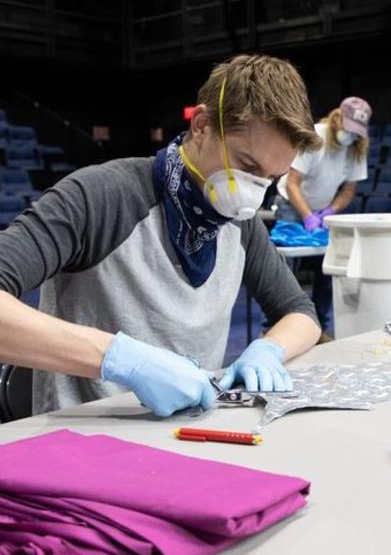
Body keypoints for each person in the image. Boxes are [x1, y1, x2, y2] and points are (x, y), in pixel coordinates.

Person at [0, 54, 323, 418]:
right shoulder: (102, 197)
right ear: (201, 125)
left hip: (187, 434)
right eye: (247, 166)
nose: (254, 193)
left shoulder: (239, 222)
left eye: (270, 178)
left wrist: (270, 349)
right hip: (84, 442)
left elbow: (301, 313)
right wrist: (120, 359)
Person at [275, 96, 372, 332]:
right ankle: (274, 326)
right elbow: (292, 183)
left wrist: (329, 212)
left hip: (322, 210)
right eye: (348, 129)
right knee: (283, 271)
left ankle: (317, 328)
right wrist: (307, 216)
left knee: (327, 269)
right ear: (338, 118)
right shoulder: (315, 137)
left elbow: (349, 190)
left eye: (356, 132)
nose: (351, 136)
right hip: (291, 204)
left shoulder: (356, 148)